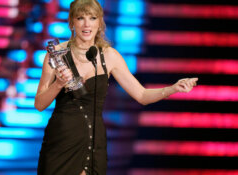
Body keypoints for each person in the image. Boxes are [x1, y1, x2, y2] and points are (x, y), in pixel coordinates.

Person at [34, 0, 198, 174]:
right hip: (61, 140)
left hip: (93, 141)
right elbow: (39, 104)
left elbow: (141, 95)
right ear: (72, 22)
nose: (87, 24)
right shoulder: (56, 54)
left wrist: (173, 88)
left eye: (92, 18)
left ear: (100, 22)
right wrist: (58, 84)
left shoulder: (109, 56)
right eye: (80, 18)